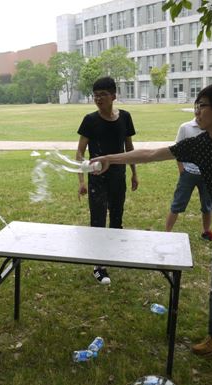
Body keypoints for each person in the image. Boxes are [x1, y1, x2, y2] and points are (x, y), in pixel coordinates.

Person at [92, 84, 212, 380]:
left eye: (202, 106)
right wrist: (110, 158)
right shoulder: (200, 144)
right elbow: (152, 153)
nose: (197, 111)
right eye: (196, 105)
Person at [76, 76, 139, 285]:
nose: (98, 99)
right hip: (97, 179)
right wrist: (81, 181)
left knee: (117, 217)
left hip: (118, 176)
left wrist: (134, 172)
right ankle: (98, 265)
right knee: (98, 220)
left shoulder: (125, 117)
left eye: (103, 95)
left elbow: (129, 148)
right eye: (95, 95)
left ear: (113, 96)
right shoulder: (90, 120)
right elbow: (80, 152)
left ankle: (113, 254)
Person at [165, 118, 212, 241]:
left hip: (208, 175)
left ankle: (206, 232)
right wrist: (181, 169)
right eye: (197, 109)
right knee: (177, 204)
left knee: (207, 205)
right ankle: (166, 234)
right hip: (188, 173)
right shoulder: (185, 127)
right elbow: (177, 149)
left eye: (202, 109)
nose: (199, 112)